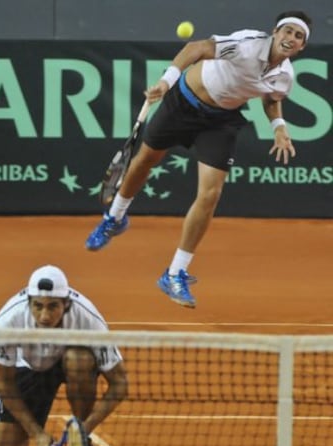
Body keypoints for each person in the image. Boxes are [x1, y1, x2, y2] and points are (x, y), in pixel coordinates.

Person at [85, 11, 312, 308]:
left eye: (298, 36)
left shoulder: (284, 76)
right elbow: (197, 48)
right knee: (144, 161)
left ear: (301, 47)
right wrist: (166, 82)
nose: (291, 38)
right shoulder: (246, 45)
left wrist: (278, 128)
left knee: (210, 194)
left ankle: (175, 272)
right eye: (288, 31)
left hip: (221, 122)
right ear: (275, 32)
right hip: (182, 103)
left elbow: (271, 98)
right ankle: (114, 218)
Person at [0, 265, 128, 446]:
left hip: (70, 362)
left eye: (53, 306)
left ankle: (82, 444)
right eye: (38, 306)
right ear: (29, 302)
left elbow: (120, 384)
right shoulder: (8, 320)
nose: (44, 316)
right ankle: (27, 431)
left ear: (66, 304)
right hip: (29, 367)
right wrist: (37, 433)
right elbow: (3, 383)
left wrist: (83, 431)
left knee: (78, 359)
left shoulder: (88, 319)